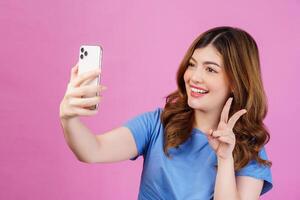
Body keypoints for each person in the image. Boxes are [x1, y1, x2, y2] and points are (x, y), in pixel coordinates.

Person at [59, 26, 273, 200]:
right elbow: (93, 150)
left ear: (236, 82)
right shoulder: (157, 124)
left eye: (210, 69)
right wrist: (68, 118)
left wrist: (225, 159)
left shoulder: (249, 148)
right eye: (192, 64)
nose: (194, 77)